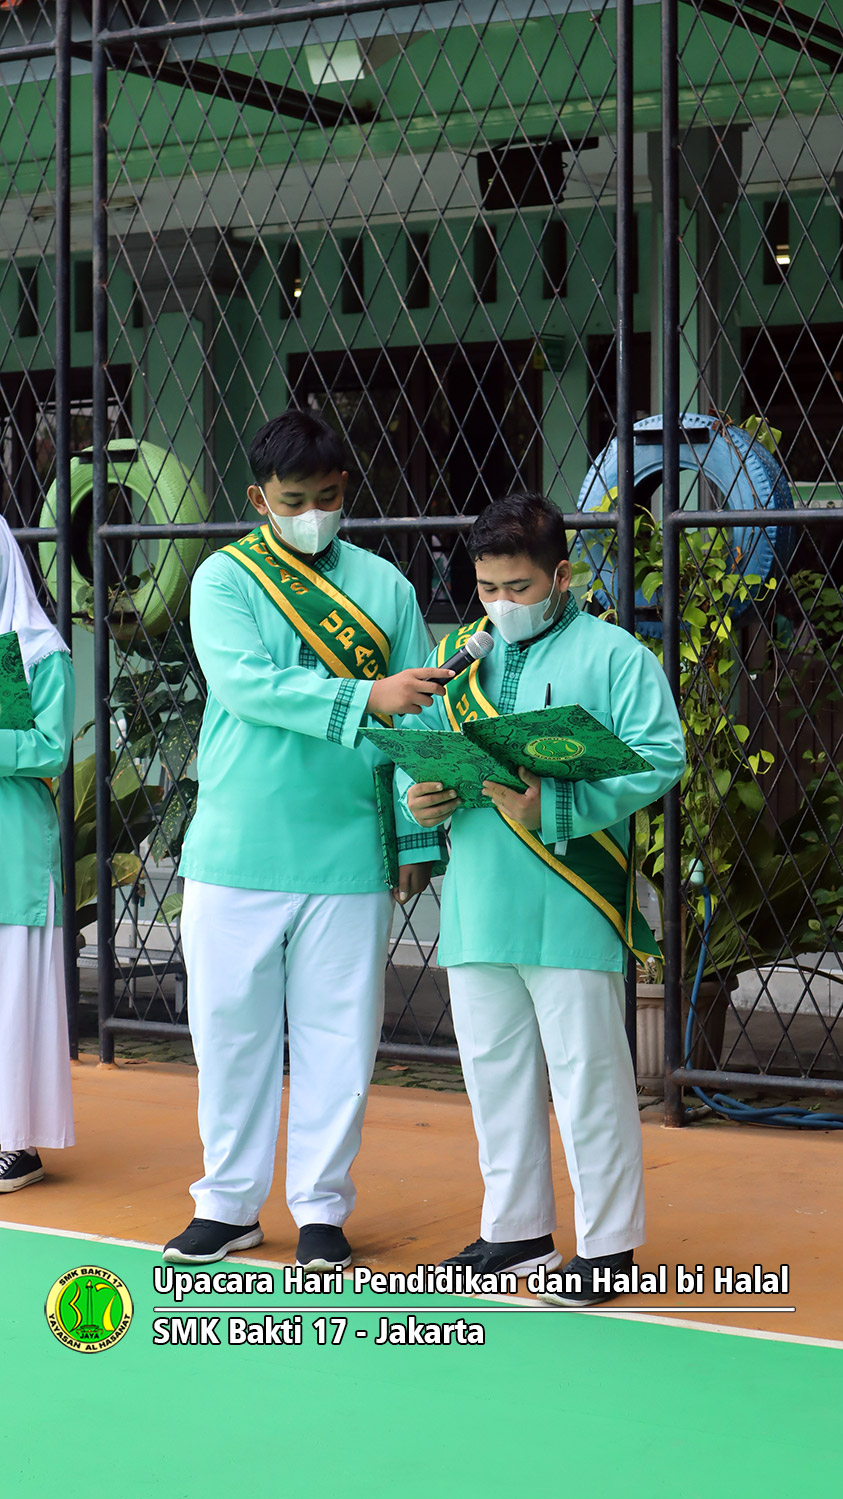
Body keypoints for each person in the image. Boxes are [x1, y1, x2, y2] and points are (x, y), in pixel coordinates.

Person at [164, 409, 451, 1268]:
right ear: (259, 498)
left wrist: (411, 839)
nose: (314, 513)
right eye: (295, 499)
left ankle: (321, 1208)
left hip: (345, 846)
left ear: (345, 490)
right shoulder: (223, 580)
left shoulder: (386, 587)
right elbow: (249, 686)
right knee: (228, 1031)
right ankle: (227, 1205)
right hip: (238, 842)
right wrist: (364, 697)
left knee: (338, 1035)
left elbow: (419, 721)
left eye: (327, 497)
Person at [398, 491, 685, 1307]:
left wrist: (556, 805)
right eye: (486, 588)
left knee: (588, 1075)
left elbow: (660, 757)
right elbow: (418, 757)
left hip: (571, 895)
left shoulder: (615, 655)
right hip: (480, 895)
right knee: (493, 1076)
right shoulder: (456, 655)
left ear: (561, 574)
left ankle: (606, 1246)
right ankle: (515, 1230)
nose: (500, 605)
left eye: (518, 588)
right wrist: (420, 803)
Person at [0, 516, 75, 1191]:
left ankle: (13, 1142)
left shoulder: (34, 650)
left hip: (12, 851)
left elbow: (52, 747)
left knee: (12, 993)